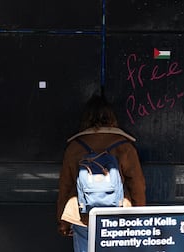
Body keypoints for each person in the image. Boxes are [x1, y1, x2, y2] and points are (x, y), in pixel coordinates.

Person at [56, 94, 146, 252]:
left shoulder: (74, 147)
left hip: (83, 217)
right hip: (119, 216)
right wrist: (138, 219)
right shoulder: (124, 146)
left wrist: (63, 222)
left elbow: (65, 186)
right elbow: (137, 185)